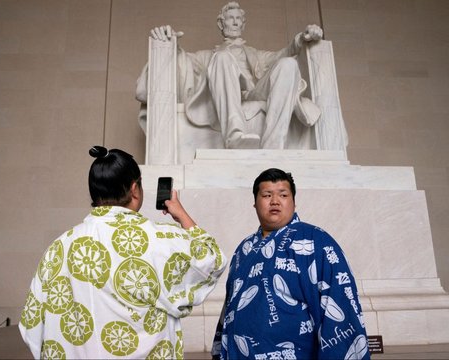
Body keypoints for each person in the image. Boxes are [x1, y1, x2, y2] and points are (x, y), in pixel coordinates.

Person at [19, 146, 227, 359]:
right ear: (135, 189)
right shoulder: (159, 240)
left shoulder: (58, 248)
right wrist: (182, 215)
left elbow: (31, 326)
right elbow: (211, 258)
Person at [211, 168, 370, 359]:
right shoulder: (243, 249)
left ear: (294, 202)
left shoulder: (316, 241)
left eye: (283, 195)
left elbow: (339, 304)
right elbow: (229, 310)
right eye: (267, 195)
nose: (275, 201)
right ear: (255, 203)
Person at [136, 1, 323, 150]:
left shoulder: (256, 54)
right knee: (223, 57)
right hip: (224, 98)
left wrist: (301, 39)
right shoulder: (208, 56)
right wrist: (170, 43)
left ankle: (273, 146)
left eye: (238, 19)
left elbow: (283, 54)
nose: (234, 22)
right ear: (221, 23)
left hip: (254, 93)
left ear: (243, 23)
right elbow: (182, 60)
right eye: (230, 18)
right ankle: (235, 134)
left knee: (288, 64)